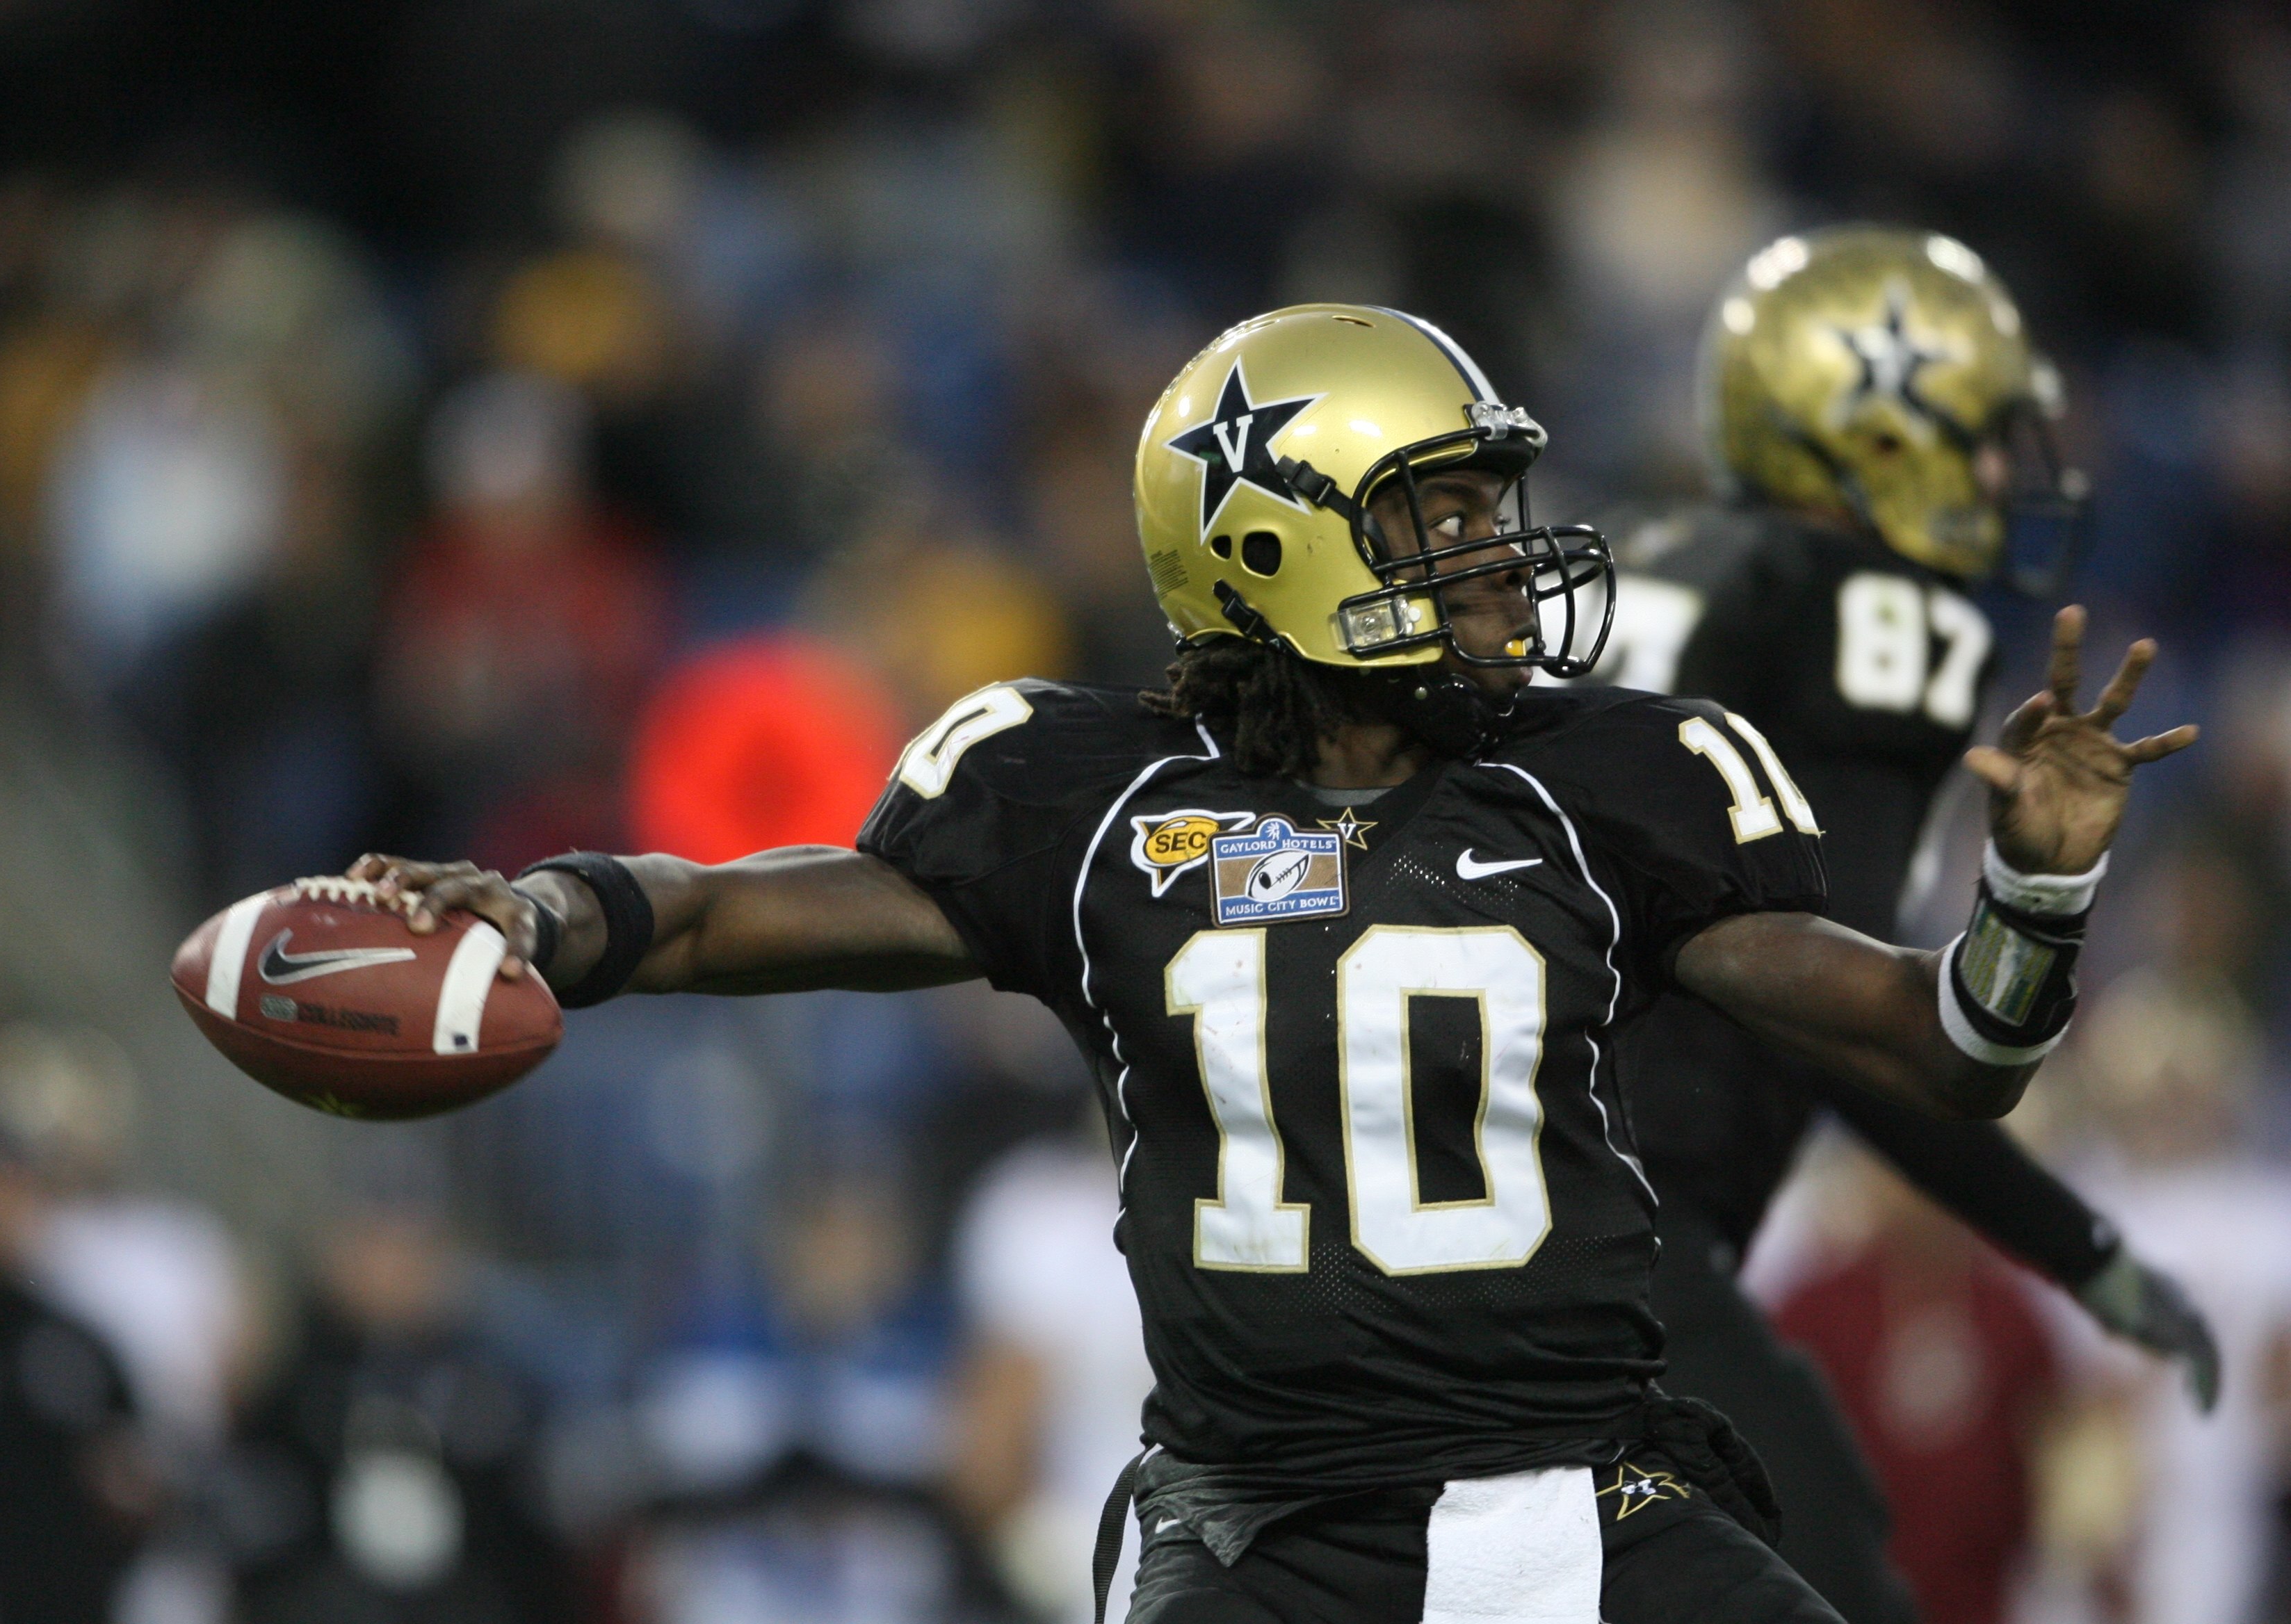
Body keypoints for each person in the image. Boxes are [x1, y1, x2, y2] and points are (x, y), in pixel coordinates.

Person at [349, 304, 2194, 1624]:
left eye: (1486, 511)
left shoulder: (1611, 780)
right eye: (1440, 518)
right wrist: (534, 913)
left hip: (1587, 1511)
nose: (1495, 558)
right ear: (1274, 536)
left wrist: (2034, 896)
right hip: (1264, 1546)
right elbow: (721, 912)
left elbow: (1947, 1051)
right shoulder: (1081, 798)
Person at [1580, 227, 2220, 1624]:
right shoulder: (1868, 610)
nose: (2005, 474)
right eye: (1982, 436)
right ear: (1873, 437)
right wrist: (2079, 1245)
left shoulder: (1630, 556)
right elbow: (1846, 1011)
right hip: (1612, 1238)